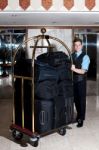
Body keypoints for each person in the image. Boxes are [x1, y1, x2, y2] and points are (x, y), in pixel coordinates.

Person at [71, 38, 90, 127]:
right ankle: (78, 115)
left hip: (81, 81)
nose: (77, 46)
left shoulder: (85, 57)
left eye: (79, 45)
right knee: (75, 100)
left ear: (82, 46)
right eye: (75, 45)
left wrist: (74, 69)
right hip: (72, 81)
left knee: (81, 100)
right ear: (74, 46)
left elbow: (83, 71)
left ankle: (80, 119)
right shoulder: (72, 55)